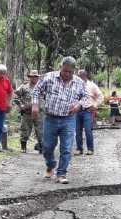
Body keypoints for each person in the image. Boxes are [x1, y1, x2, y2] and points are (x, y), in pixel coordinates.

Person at [32, 56, 86, 184]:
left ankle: (61, 173)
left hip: (68, 119)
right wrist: (35, 105)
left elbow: (85, 97)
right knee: (47, 147)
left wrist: (79, 105)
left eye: (70, 72)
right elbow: (36, 90)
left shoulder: (79, 82)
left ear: (74, 71)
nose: (67, 74)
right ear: (60, 67)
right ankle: (50, 165)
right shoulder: (49, 77)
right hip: (50, 118)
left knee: (66, 148)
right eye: (65, 71)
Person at [75, 69, 104, 156]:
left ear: (85, 76)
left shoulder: (92, 85)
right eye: (78, 75)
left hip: (87, 111)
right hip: (77, 111)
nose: (79, 77)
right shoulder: (75, 85)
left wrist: (95, 105)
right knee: (77, 131)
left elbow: (100, 96)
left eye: (81, 75)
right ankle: (79, 149)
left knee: (88, 130)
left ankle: (90, 149)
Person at [13, 70, 43, 153]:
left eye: (36, 77)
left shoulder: (42, 87)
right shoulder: (24, 87)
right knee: (25, 130)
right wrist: (20, 105)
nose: (34, 78)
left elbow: (46, 97)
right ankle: (23, 147)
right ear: (29, 77)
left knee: (40, 131)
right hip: (27, 112)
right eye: (32, 77)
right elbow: (15, 96)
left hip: (39, 112)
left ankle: (42, 147)